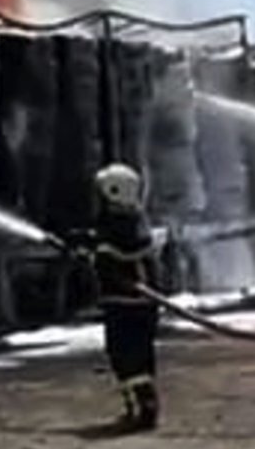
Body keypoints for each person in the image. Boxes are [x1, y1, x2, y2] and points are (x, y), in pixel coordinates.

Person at [89, 163, 162, 432]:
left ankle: (143, 407)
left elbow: (111, 255)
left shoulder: (121, 228)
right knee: (139, 356)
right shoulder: (134, 221)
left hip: (126, 305)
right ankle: (141, 404)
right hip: (140, 305)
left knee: (125, 355)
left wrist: (91, 253)